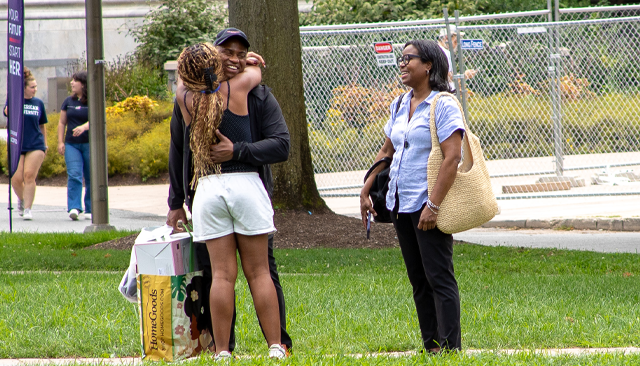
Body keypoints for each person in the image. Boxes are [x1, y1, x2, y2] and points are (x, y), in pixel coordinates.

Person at [166, 28, 292, 359]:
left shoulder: (185, 98)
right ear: (216, 59)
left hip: (208, 188)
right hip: (245, 183)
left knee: (221, 275)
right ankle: (276, 347)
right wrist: (249, 62)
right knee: (260, 271)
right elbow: (255, 72)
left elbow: (187, 82)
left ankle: (222, 351)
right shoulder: (238, 88)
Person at [360, 40, 465, 352]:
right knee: (418, 280)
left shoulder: (443, 104)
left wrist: (432, 205)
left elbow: (452, 158)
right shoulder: (398, 104)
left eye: (409, 59)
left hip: (426, 203)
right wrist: (367, 187)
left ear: (429, 65)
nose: (402, 64)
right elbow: (387, 150)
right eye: (401, 59)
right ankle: (431, 345)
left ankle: (450, 348)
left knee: (439, 278)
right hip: (399, 203)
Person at [3, 67, 48, 220]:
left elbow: (42, 125)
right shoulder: (14, 100)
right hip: (18, 144)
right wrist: (14, 93)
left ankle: (28, 208)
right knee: (16, 178)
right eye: (32, 87)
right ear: (24, 88)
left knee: (29, 175)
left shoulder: (38, 103)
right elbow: (7, 112)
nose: (35, 90)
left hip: (36, 144)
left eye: (36, 87)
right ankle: (22, 200)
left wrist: (45, 144)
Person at [57, 71, 91, 221]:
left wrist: (84, 127)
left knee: (91, 176)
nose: (71, 83)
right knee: (74, 174)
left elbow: (98, 119)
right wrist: (60, 141)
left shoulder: (92, 101)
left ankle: (91, 208)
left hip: (90, 144)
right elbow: (61, 122)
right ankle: (74, 207)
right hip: (72, 144)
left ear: (83, 84)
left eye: (75, 81)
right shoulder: (68, 102)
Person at [437, 25, 477, 92]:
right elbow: (446, 75)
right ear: (446, 38)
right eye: (455, 42)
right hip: (443, 92)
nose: (456, 45)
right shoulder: (445, 52)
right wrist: (464, 75)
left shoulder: (436, 49)